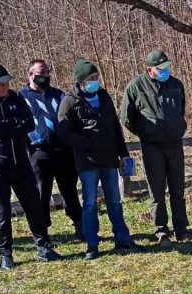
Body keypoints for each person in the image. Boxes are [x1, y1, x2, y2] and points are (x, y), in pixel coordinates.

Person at [0, 63, 60, 270]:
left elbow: (29, 123)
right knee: (1, 211)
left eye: (8, 83)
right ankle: (5, 253)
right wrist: (12, 124)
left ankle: (44, 246)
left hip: (21, 162)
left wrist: (7, 125)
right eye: (2, 84)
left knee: (34, 206)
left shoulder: (16, 97)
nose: (6, 87)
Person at [57, 60, 141, 260]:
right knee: (90, 203)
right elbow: (63, 131)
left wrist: (123, 153)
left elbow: (115, 126)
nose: (95, 81)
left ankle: (122, 238)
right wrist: (85, 142)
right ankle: (92, 244)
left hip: (109, 158)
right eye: (91, 79)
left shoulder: (103, 96)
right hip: (87, 161)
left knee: (115, 200)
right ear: (81, 81)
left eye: (96, 77)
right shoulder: (70, 100)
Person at [121, 50, 192, 245]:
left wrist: (177, 127)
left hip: (175, 144)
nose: (165, 71)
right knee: (157, 189)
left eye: (167, 67)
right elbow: (127, 119)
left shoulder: (176, 85)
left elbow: (181, 110)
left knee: (178, 188)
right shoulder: (136, 87)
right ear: (149, 69)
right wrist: (146, 132)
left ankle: (181, 228)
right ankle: (161, 230)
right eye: (160, 69)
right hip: (152, 146)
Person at [21, 59, 84, 240]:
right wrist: (27, 149)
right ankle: (43, 232)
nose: (45, 76)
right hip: (38, 151)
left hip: (63, 151)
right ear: (31, 75)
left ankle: (79, 225)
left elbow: (70, 118)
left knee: (70, 190)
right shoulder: (21, 97)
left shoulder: (59, 95)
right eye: (41, 73)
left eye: (47, 72)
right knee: (41, 193)